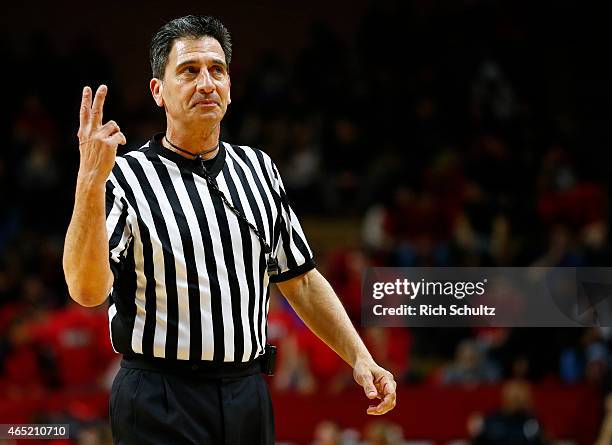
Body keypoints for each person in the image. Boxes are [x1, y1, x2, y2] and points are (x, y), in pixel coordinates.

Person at [62, 14, 397, 445]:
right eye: (189, 71)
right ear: (157, 91)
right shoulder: (124, 176)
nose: (206, 83)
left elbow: (302, 280)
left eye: (217, 70)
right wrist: (89, 180)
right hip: (160, 396)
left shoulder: (259, 169)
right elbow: (85, 290)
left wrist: (360, 356)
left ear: (230, 86)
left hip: (247, 392)